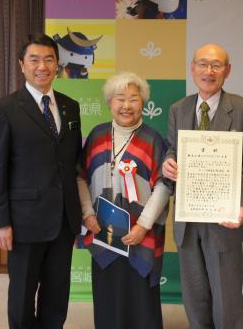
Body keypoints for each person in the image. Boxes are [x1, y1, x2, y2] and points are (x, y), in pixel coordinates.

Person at [0, 33, 82, 329]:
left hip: (63, 220)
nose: (42, 66)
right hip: (24, 222)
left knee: (57, 296)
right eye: (34, 60)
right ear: (22, 65)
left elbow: (73, 161)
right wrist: (0, 222)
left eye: (49, 59)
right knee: (23, 295)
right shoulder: (4, 110)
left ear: (57, 65)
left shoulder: (70, 106)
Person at [162, 43, 243, 329]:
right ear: (192, 68)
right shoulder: (178, 109)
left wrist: (242, 206)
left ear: (227, 71)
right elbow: (173, 149)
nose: (209, 71)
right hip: (187, 218)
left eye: (216, 65)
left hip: (224, 219)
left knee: (226, 300)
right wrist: (168, 162)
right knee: (195, 299)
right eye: (203, 64)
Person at [78, 72, 172, 329]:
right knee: (108, 293)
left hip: (140, 233)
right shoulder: (96, 136)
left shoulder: (154, 140)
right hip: (102, 230)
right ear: (110, 102)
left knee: (140, 295)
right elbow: (79, 177)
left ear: (143, 103)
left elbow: (163, 186)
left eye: (133, 99)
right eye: (120, 99)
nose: (126, 106)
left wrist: (143, 226)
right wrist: (87, 213)